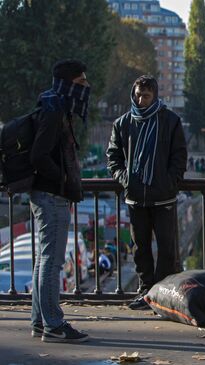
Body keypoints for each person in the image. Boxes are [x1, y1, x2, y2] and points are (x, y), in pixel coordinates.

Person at [106, 75, 187, 310]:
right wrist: (125, 179)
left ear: (155, 96)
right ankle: (145, 292)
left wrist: (169, 182)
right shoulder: (123, 123)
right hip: (135, 197)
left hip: (163, 196)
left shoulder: (170, 121)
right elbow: (113, 157)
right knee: (140, 248)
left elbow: (179, 156)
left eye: (146, 96)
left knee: (166, 247)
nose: (141, 100)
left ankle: (164, 292)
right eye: (138, 95)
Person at [30, 59, 89, 342]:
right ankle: (53, 324)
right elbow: (39, 155)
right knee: (52, 263)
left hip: (46, 193)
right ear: (68, 84)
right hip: (51, 195)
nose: (86, 88)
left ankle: (40, 321)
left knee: (44, 260)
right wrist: (63, 181)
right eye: (81, 83)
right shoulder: (54, 110)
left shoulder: (52, 104)